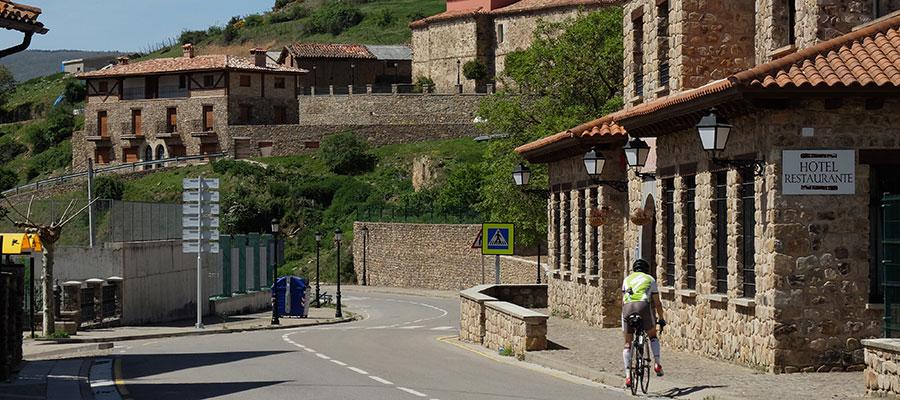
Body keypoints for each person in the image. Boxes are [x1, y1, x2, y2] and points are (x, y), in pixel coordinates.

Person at [622, 258, 666, 388]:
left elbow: (623, 301)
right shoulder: (650, 279)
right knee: (652, 336)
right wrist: (661, 319)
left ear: (634, 269)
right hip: (643, 307)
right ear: (646, 270)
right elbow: (657, 303)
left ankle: (628, 375)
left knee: (627, 343)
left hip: (628, 308)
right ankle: (657, 363)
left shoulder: (626, 280)